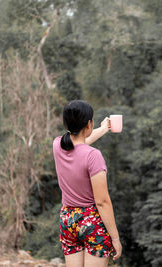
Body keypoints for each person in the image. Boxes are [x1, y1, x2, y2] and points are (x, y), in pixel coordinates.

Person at [52, 100, 122, 267]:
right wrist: (115, 238)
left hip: (68, 220)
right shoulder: (93, 156)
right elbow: (102, 202)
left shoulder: (57, 145)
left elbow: (79, 143)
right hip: (91, 221)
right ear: (89, 124)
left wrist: (104, 129)